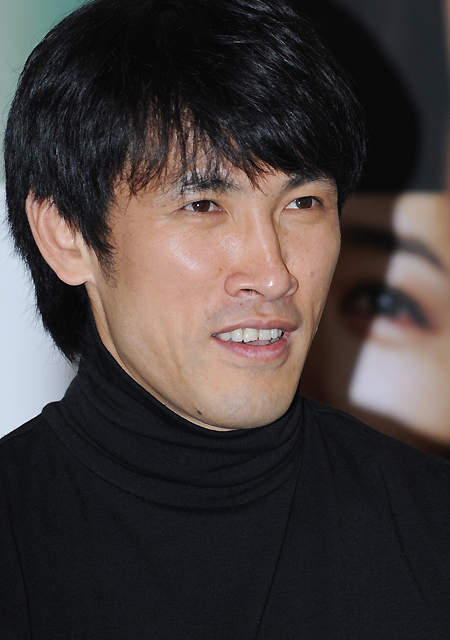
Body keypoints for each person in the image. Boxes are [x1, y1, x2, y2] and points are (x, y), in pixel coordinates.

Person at [1, 0, 450, 637]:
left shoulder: (429, 527)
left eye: (303, 202)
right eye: (204, 205)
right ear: (67, 234)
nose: (273, 273)